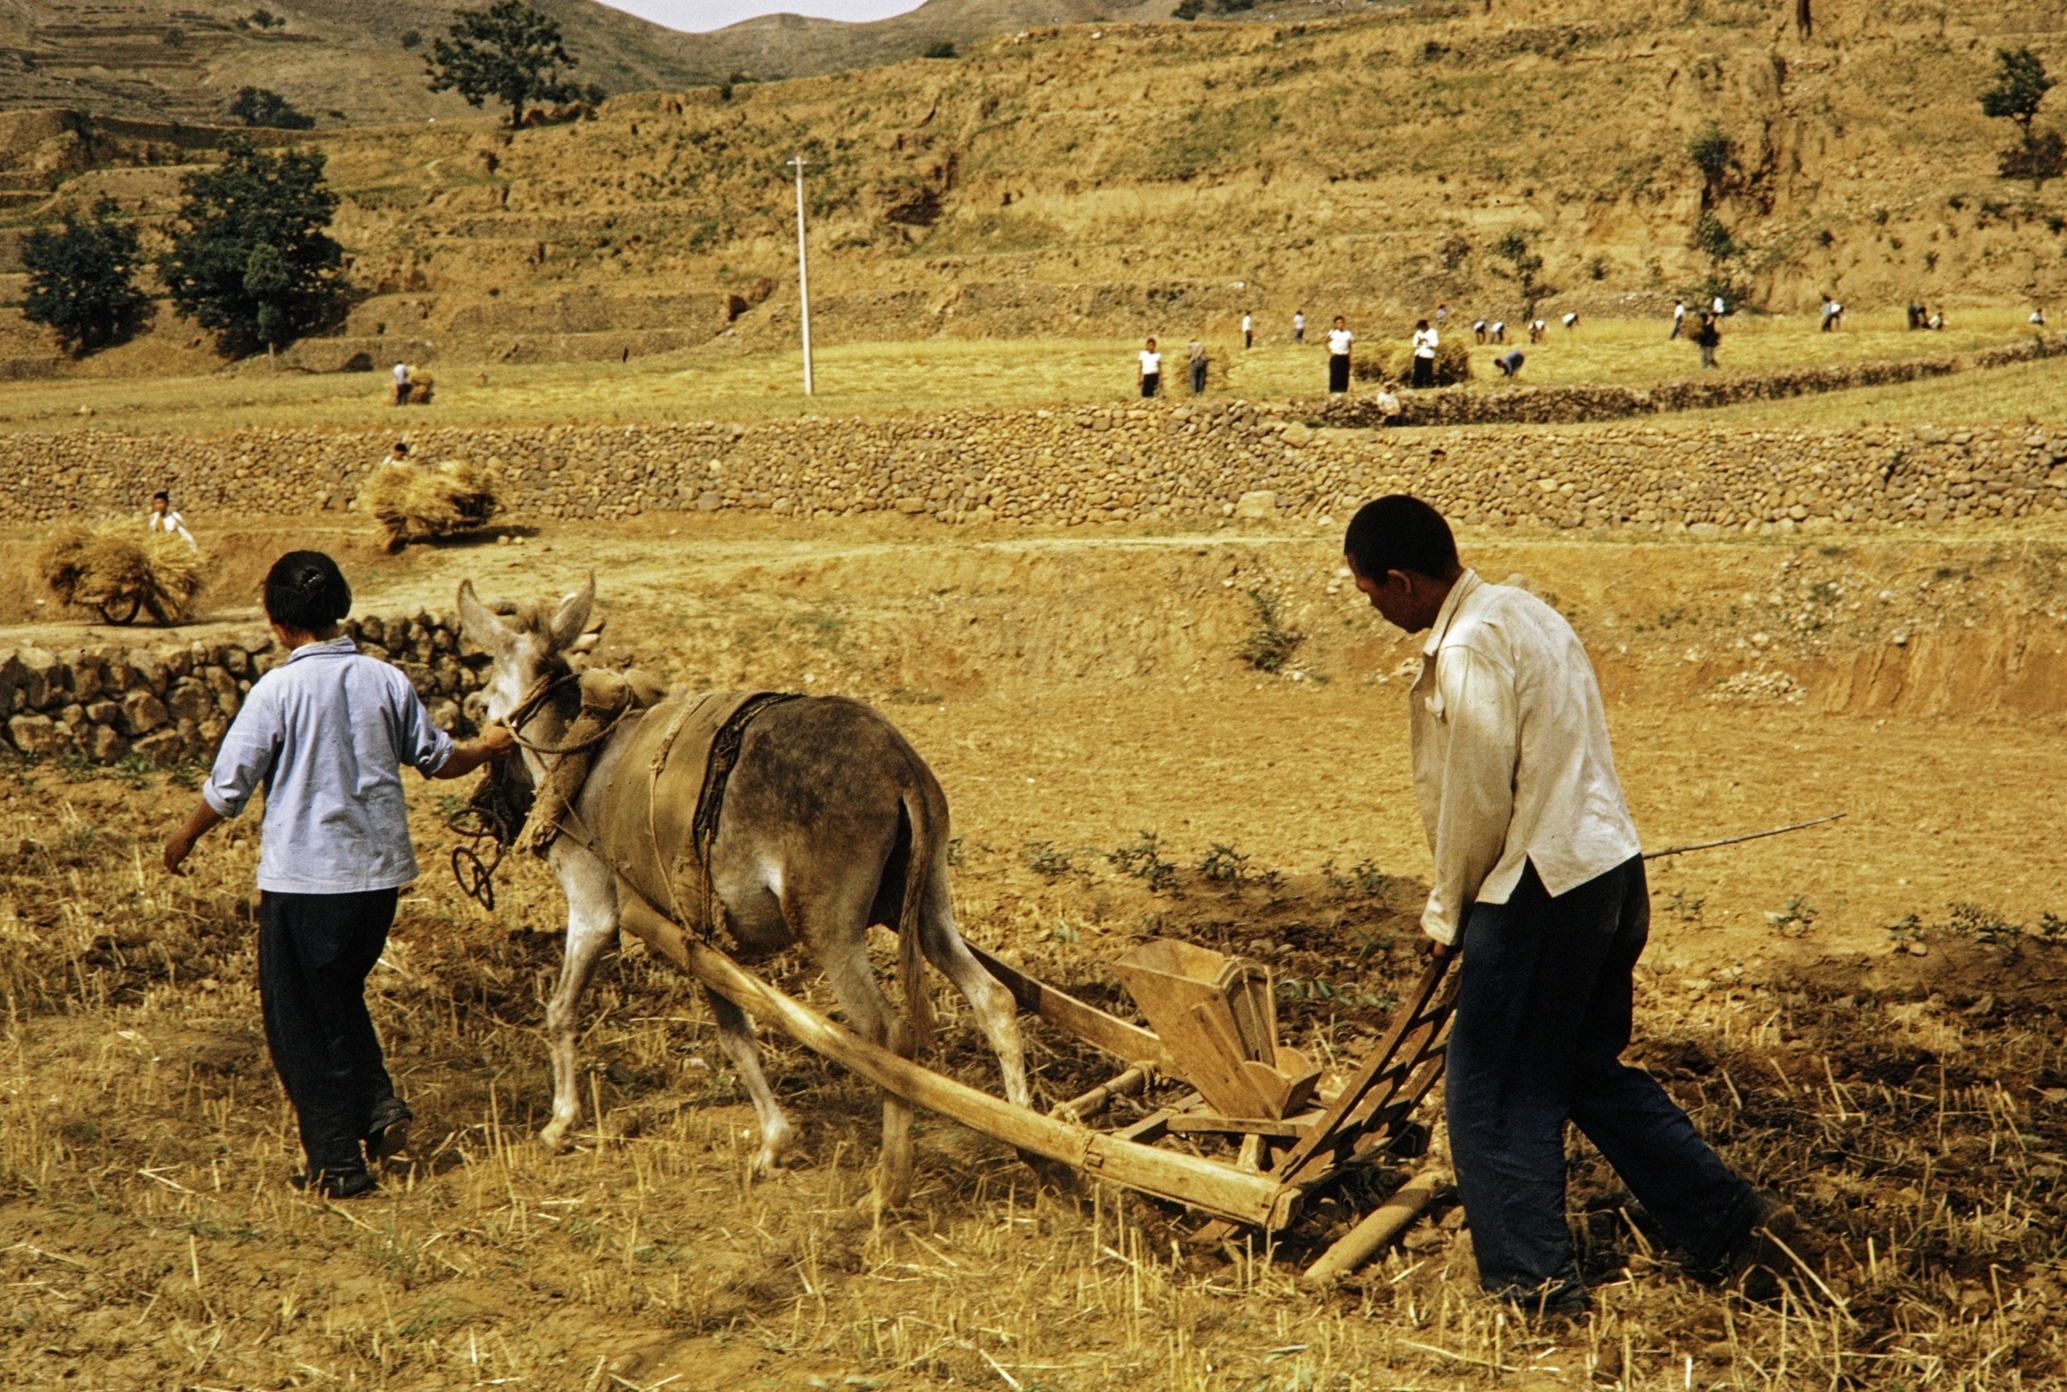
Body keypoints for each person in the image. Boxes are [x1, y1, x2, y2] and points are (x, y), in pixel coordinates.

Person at [1340, 496, 1788, 1316]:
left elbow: (1475, 804)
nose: (1372, 607)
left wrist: (1447, 915)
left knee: (1493, 1091)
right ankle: (1722, 1220)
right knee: (1578, 1067)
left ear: (1401, 581)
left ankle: (1532, 1289)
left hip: (1536, 888)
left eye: (1370, 592)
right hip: (1608, 869)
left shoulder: (1472, 648)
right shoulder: (1525, 611)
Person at [162, 552, 516, 1198]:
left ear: (277, 623)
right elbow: (438, 762)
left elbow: (230, 785)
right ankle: (378, 1109)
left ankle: (337, 1164)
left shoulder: (278, 691)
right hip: (378, 884)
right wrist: (486, 749)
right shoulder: (385, 681)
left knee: (297, 1023)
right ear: (339, 608)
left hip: (306, 883)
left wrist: (185, 835)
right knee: (337, 995)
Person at [1327, 315, 1353, 393]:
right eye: (1338, 323)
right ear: (1335, 324)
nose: (1340, 324)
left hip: (1344, 356)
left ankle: (1343, 391)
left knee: (1344, 375)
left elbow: (1350, 346)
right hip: (1336, 356)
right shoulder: (1332, 332)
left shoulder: (1348, 333)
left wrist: (1350, 359)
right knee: (1335, 374)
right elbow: (1324, 342)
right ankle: (1334, 391)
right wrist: (1330, 351)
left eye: (1341, 323)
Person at [1410, 318, 1439, 389]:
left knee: (1427, 371)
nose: (1421, 329)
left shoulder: (1433, 332)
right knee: (1417, 370)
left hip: (1427, 354)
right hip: (1419, 353)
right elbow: (1414, 342)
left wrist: (1428, 343)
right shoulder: (1418, 333)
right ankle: (1416, 386)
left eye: (1422, 327)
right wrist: (1419, 343)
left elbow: (1435, 343)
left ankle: (1429, 385)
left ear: (1426, 326)